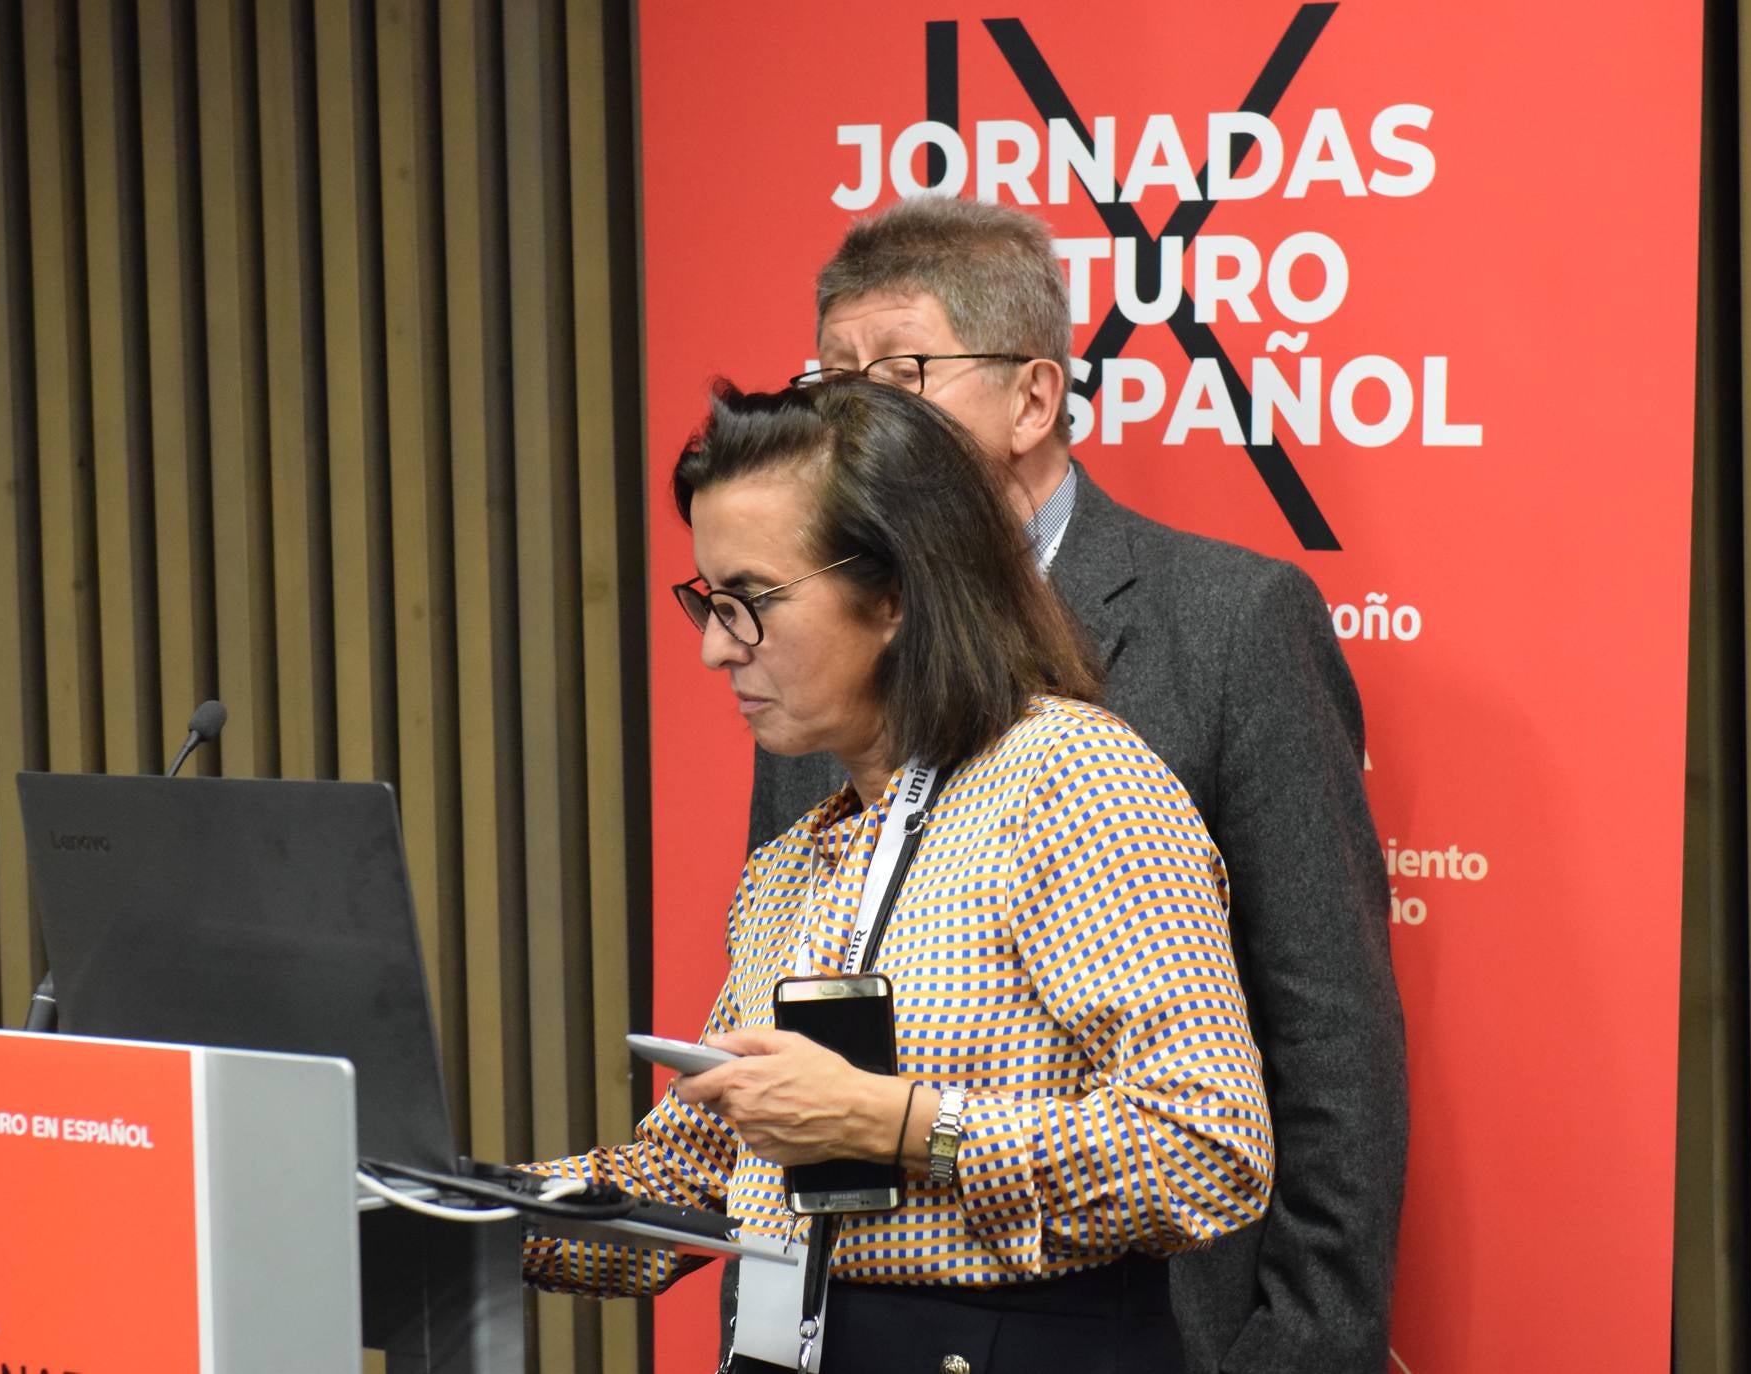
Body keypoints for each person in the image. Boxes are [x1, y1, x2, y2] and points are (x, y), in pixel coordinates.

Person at [743, 197, 1407, 1373]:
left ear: (1035, 399)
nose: (848, 415)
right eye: (826, 377)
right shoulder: (824, 644)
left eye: (898, 372)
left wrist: (1301, 1352)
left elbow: (1329, 1036)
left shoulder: (1230, 624)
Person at [523, 378, 1273, 1372]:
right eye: (707, 602)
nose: (713, 648)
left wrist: (903, 1123)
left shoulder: (1070, 781)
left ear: (895, 594)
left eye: (746, 603)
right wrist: (457, 1201)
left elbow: (1208, 1150)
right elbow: (693, 1176)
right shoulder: (795, 864)